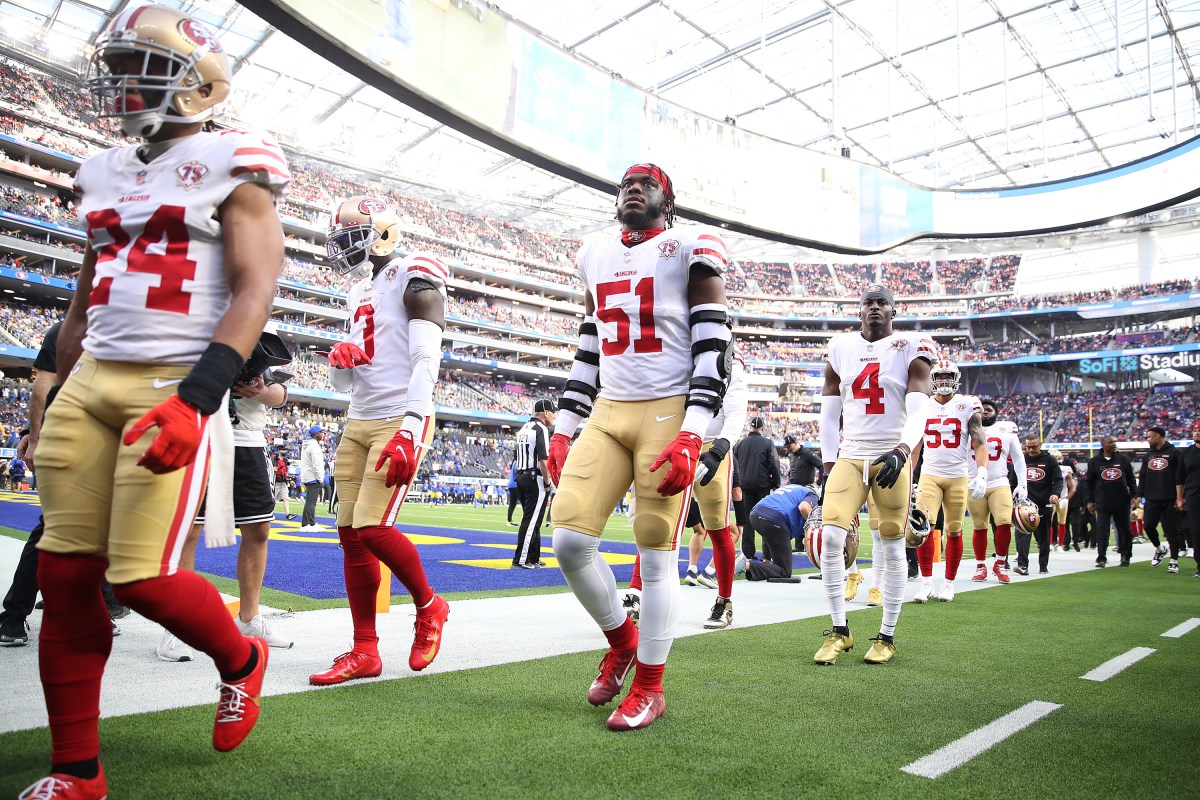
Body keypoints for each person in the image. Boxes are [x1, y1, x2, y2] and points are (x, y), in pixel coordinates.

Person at [24, 6, 287, 795]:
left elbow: (256, 289)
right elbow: (82, 304)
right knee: (64, 581)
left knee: (140, 579)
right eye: (122, 66)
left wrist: (197, 399)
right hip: (94, 376)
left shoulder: (234, 159)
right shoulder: (101, 169)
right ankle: (78, 772)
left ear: (200, 84)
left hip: (172, 380)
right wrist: (54, 402)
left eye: (147, 67)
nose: (125, 83)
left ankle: (241, 656)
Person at [547, 162, 732, 730]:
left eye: (647, 182)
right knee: (569, 541)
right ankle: (622, 641)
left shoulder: (690, 246)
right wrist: (564, 421)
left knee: (655, 553)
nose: (633, 185)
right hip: (609, 409)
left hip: (668, 408)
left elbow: (714, 347)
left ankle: (651, 686)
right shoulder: (595, 251)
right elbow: (590, 341)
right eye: (626, 180)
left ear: (667, 199)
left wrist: (693, 432)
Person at [308, 196, 451, 686]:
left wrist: (412, 427)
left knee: (371, 528)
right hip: (359, 418)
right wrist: (340, 360)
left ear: (380, 234)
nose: (341, 247)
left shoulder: (413, 271)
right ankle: (364, 651)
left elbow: (425, 359)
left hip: (399, 417)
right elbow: (344, 386)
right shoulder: (357, 291)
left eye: (350, 236)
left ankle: (431, 606)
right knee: (350, 535)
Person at [813, 284, 935, 665]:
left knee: (892, 543)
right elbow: (830, 413)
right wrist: (829, 462)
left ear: (893, 311)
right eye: (869, 303)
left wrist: (903, 449)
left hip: (890, 456)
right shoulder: (840, 347)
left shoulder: (911, 346)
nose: (876, 308)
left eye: (883, 303)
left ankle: (886, 636)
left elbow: (919, 408)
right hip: (851, 455)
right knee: (831, 537)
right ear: (859, 311)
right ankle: (839, 631)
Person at [158, 340, 295, 662]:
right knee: (189, 531)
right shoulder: (195, 327)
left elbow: (281, 396)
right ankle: (179, 623)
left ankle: (249, 619)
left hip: (248, 441)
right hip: (197, 435)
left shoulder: (255, 331)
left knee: (259, 530)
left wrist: (259, 391)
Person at [0, 323, 127, 647]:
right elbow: (43, 385)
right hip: (79, 440)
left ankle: (74, 608)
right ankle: (15, 616)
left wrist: (35, 435)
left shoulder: (71, 328)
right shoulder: (110, 329)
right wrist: (36, 436)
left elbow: (45, 385)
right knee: (57, 528)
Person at [911, 360, 987, 604]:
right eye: (940, 377)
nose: (944, 382)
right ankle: (926, 582)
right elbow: (915, 444)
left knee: (954, 530)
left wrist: (983, 471)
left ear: (956, 378)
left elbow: (979, 440)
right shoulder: (922, 405)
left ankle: (949, 583)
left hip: (957, 474)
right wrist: (909, 475)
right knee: (922, 528)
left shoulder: (967, 404)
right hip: (930, 474)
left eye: (948, 377)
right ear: (933, 379)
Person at [967, 399, 1026, 584]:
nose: (985, 412)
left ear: (996, 412)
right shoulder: (966, 429)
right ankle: (980, 566)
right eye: (981, 410)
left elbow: (1018, 458)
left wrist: (1022, 483)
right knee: (979, 525)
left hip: (999, 481)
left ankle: (1000, 564)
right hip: (974, 482)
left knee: (1003, 522)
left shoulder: (1006, 429)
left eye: (989, 409)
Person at [745, 484, 819, 581]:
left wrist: (766, 558)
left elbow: (768, 534)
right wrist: (813, 529)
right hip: (775, 519)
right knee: (784, 571)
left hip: (756, 514)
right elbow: (804, 507)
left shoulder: (793, 487)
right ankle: (744, 565)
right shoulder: (812, 494)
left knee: (771, 532)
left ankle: (763, 563)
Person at [512, 399, 554, 568]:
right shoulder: (541, 428)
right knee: (531, 520)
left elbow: (516, 455)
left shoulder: (524, 428)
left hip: (521, 476)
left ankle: (533, 557)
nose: (554, 415)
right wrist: (547, 481)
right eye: (553, 412)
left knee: (534, 519)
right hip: (534, 478)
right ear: (545, 413)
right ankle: (521, 559)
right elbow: (544, 460)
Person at [734, 416, 781, 561]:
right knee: (765, 518)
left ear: (750, 427)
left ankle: (748, 554)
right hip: (762, 485)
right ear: (762, 428)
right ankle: (767, 555)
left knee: (747, 520)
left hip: (744, 486)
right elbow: (774, 463)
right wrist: (776, 482)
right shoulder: (767, 443)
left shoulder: (740, 443)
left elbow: (735, 464)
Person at [1085, 435, 1137, 568]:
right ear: (1103, 445)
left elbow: (1131, 479)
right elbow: (1089, 483)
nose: (1113, 444)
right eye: (1110, 442)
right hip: (1102, 501)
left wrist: (1135, 496)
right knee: (1102, 530)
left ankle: (1125, 555)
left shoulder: (1123, 459)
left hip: (1122, 500)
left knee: (1124, 530)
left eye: (1114, 442)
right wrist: (1089, 501)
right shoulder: (1094, 462)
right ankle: (1101, 557)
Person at [1019, 436, 1064, 574]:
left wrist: (1056, 494)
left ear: (1040, 445)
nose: (1031, 450)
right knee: (1023, 535)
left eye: (1034, 447)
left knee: (1043, 537)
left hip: (1044, 503)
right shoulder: (1021, 459)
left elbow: (1058, 480)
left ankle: (1043, 565)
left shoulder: (1050, 460)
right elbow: (1013, 480)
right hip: (1025, 504)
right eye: (1028, 447)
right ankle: (1022, 565)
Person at [1137, 426, 1179, 568]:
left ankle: (1174, 560)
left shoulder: (1174, 452)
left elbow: (1180, 476)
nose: (1148, 439)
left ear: (1159, 436)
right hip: (1152, 498)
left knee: (1171, 530)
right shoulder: (1148, 455)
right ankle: (1160, 549)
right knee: (1148, 526)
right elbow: (1142, 476)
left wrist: (1180, 497)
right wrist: (1139, 495)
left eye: (1150, 436)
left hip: (1170, 498)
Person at [1175, 421, 1200, 577]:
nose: (1197, 433)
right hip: (1193, 497)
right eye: (1195, 430)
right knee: (1196, 531)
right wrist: (1179, 497)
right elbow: (1180, 478)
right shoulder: (1186, 452)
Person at [299, 425, 326, 531]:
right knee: (311, 502)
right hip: (313, 476)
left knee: (309, 501)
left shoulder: (307, 444)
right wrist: (320, 478)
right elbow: (317, 464)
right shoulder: (314, 446)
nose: (322, 434)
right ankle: (310, 523)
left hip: (307, 475)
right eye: (320, 432)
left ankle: (306, 524)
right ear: (315, 434)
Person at [274, 449, 295, 520]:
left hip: (283, 482)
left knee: (285, 498)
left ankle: (288, 514)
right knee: (272, 499)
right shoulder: (274, 460)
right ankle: (268, 513)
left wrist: (290, 481)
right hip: (276, 482)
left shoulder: (285, 461)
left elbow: (285, 472)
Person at [506, 459, 519, 526]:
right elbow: (516, 471)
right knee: (524, 503)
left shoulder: (514, 461)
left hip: (511, 485)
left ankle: (509, 521)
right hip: (515, 484)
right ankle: (527, 521)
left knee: (512, 504)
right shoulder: (517, 461)